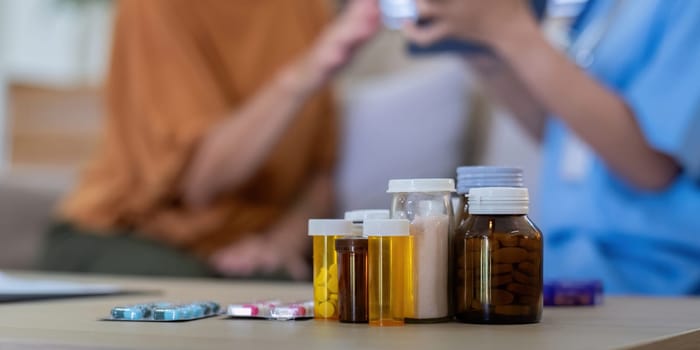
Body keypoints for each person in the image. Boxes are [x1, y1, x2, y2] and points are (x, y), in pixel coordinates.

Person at [38, 0, 380, 280]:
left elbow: (320, 176)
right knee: (187, 294)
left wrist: (283, 243)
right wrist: (301, 77)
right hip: (123, 231)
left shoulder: (307, 9)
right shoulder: (155, 8)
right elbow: (200, 183)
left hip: (246, 243)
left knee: (294, 288)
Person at [405, 0, 700, 294]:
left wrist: (511, 30)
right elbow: (564, 130)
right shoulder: (598, 9)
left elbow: (651, 167)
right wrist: (482, 50)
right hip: (565, 274)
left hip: (653, 281)